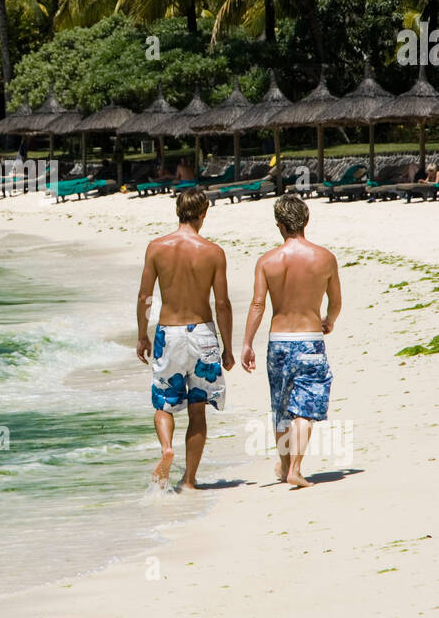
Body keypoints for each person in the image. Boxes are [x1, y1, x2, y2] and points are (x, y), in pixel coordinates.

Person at [136, 188, 234, 491]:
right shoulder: (213, 252)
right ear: (203, 213)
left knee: (164, 405)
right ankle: (190, 480)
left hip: (169, 332)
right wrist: (228, 347)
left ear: (177, 211)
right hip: (202, 333)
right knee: (197, 408)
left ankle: (167, 448)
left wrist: (142, 335)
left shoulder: (156, 247)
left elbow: (145, 297)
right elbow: (222, 304)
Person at [240, 195, 341, 489]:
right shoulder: (324, 258)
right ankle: (295, 468)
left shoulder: (267, 261)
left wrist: (247, 343)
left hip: (279, 341)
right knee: (305, 407)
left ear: (280, 225)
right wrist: (328, 320)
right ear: (305, 221)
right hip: (310, 339)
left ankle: (285, 465)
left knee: (281, 407)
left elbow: (258, 304)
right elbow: (335, 301)